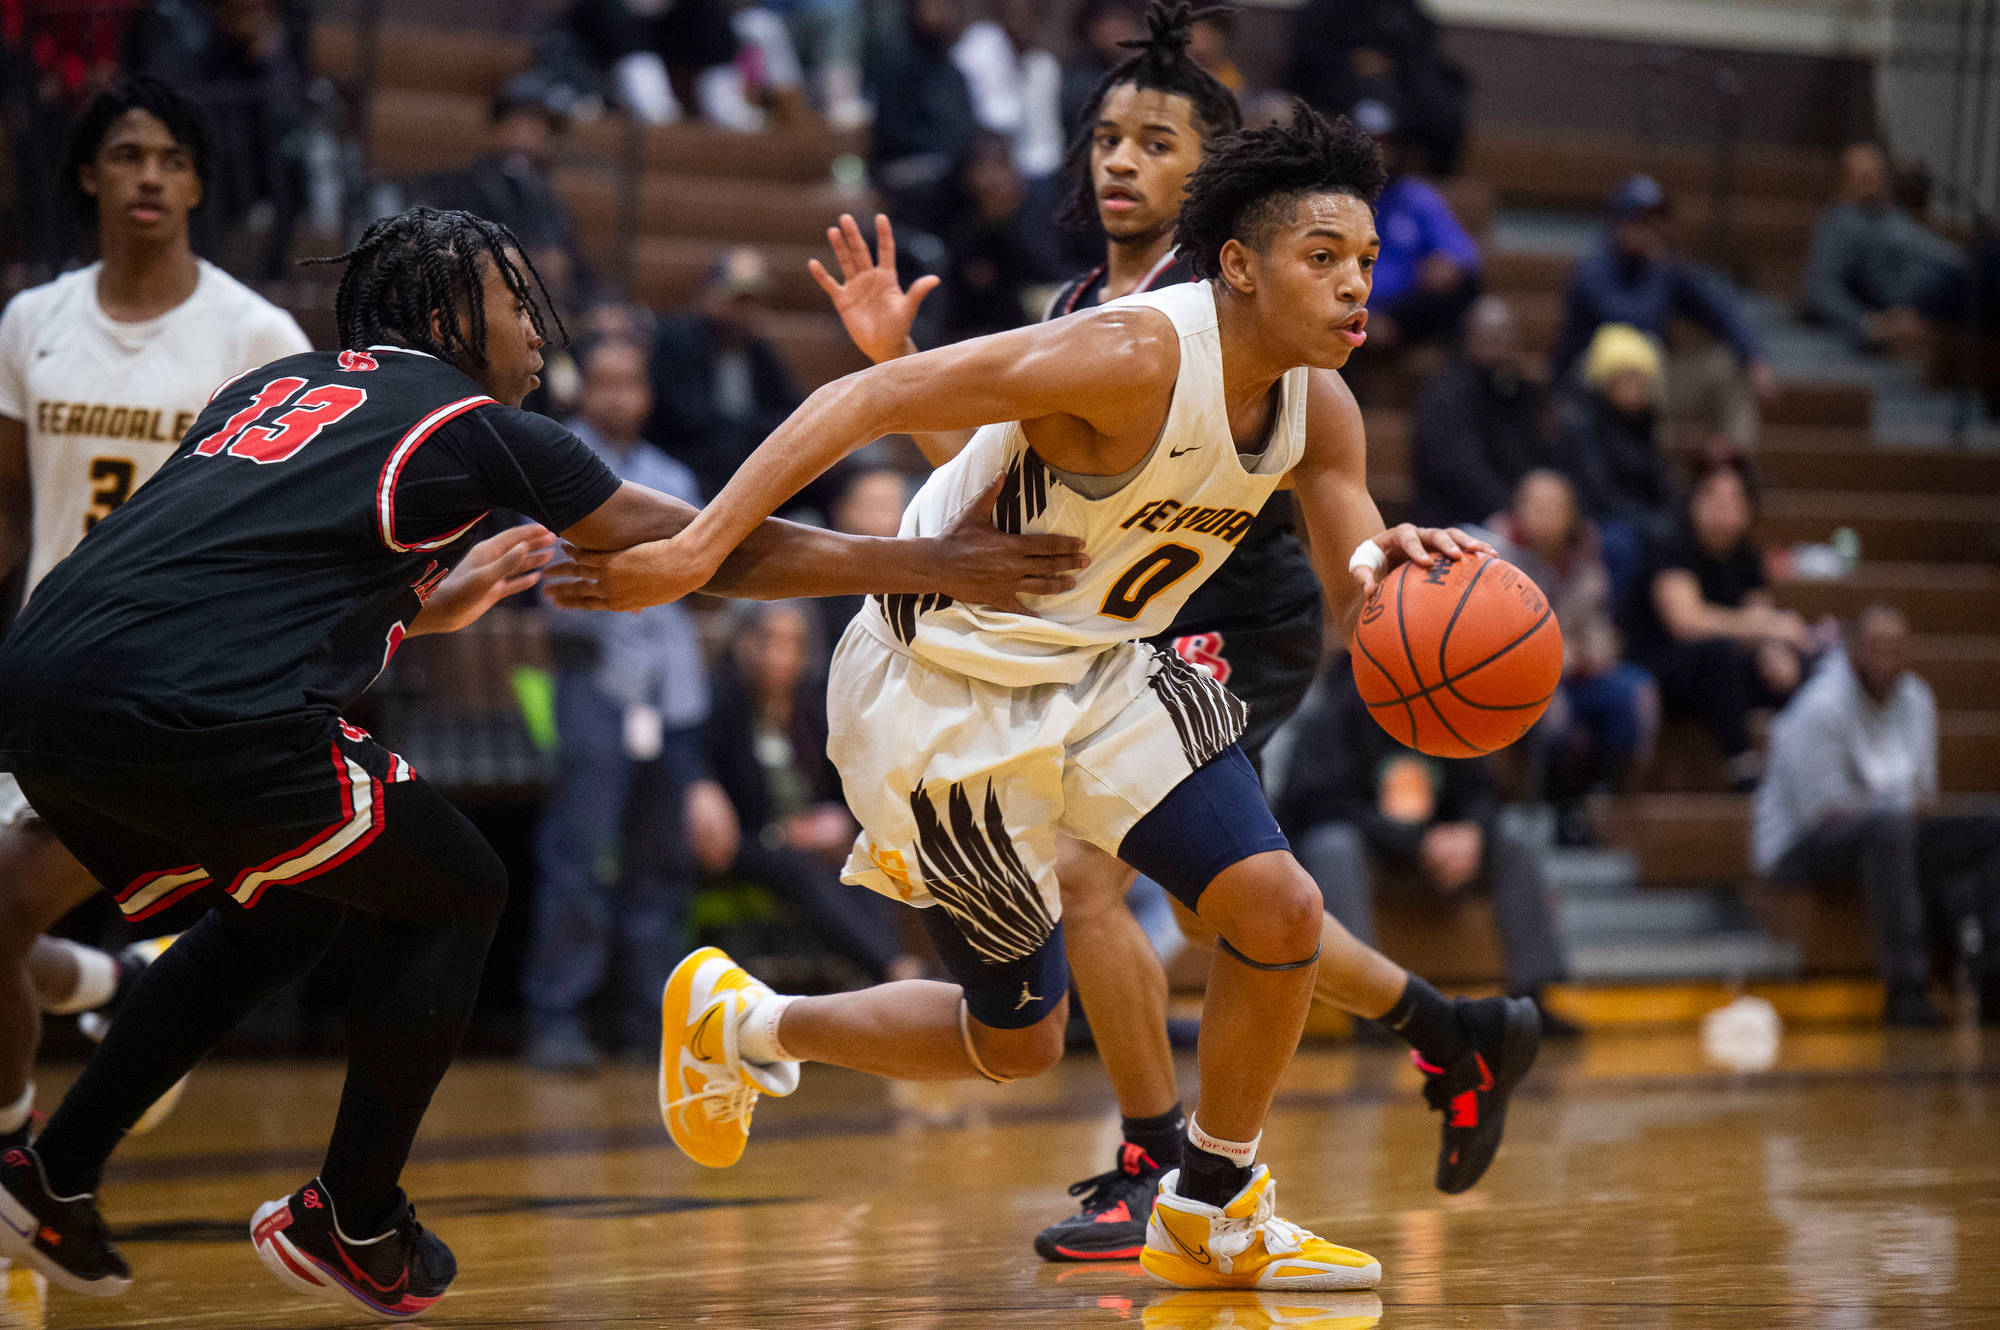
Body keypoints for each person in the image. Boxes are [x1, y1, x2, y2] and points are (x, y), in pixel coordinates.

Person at [0, 205, 1087, 1310]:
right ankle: (354, 1215)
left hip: (44, 680)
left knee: (288, 907)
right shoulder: (471, 425)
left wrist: (427, 601)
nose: (535, 324)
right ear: (446, 313)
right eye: (512, 299)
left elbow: (238, 557)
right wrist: (926, 560)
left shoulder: (277, 387)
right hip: (196, 702)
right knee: (458, 886)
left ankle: (54, 1171)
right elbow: (714, 538)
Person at [570, 105, 1543, 1292]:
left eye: (1366, 264)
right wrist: (695, 552)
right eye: (1322, 259)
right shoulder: (1127, 351)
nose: (1355, 290)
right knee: (1016, 1044)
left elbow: (1356, 581)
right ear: (1237, 265)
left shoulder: (1316, 406)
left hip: (1106, 665)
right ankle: (745, 1022)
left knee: (1276, 908)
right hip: (940, 691)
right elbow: (860, 404)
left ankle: (1212, 1202)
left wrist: (1400, 580)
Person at [807, 3, 1513, 1266]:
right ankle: (1442, 1030)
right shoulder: (1087, 302)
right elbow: (985, 497)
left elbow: (1335, 491)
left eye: (1155, 142)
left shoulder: (1252, 304)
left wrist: (1377, 568)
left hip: (1234, 612)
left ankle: (1160, 1162)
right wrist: (897, 355)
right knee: (1212, 914)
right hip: (1116, 616)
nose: (1118, 161)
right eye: (1105, 138)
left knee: (1117, 882)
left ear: (1222, 183)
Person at [0, 77, 312, 1156]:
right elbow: (9, 507)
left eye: (174, 159)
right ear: (89, 172)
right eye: (130, 154)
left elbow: (292, 527)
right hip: (42, 674)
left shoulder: (254, 333)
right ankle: (120, 982)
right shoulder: (31, 322)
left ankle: (21, 1173)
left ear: (197, 185)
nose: (151, 176)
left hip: (169, 693)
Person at [523, 337, 717, 1072]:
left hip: (669, 698)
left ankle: (649, 1019)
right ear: (584, 393)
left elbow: (703, 579)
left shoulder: (671, 474)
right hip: (593, 681)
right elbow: (545, 575)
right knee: (578, 858)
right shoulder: (555, 460)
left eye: (628, 382)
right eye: (602, 383)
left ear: (646, 392)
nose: (615, 397)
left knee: (660, 868)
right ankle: (557, 1016)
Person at [1276, 653, 1572, 1029]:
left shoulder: (1440, 710)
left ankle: (1533, 997)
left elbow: (1481, 792)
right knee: (1334, 845)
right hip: (1371, 862)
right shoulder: (1333, 715)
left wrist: (1471, 833)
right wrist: (1417, 842)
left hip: (1437, 863)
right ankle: (1364, 1005)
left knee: (1513, 844)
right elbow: (1314, 805)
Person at [1755, 606, 2000, 1027]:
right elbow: (1821, 813)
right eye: (1876, 647)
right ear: (1852, 650)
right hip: (1798, 847)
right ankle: (1907, 992)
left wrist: (1903, 812)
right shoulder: (1821, 706)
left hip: (1890, 835)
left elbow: (1925, 793)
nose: (1886, 658)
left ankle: (1993, 983)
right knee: (1890, 829)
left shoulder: (1917, 698)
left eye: (1896, 648)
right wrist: (1896, 812)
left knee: (1990, 829)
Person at [703, 601, 920, 983]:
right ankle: (895, 970)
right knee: (801, 869)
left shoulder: (813, 710)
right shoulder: (720, 705)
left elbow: (845, 790)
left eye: (792, 644)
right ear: (743, 643)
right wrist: (784, 834)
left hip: (810, 841)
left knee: (868, 857)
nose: (779, 656)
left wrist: (841, 823)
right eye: (768, 641)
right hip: (753, 843)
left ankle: (888, 968)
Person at [1481, 470, 1655, 844]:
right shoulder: (1492, 551)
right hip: (1514, 673)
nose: (1542, 514)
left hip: (1579, 667)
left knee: (1635, 693)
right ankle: (1554, 809)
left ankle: (1599, 800)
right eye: (1534, 505)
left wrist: (1587, 654)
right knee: (1552, 714)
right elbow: (1488, 634)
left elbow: (1599, 622)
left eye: (1552, 506)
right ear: (1517, 510)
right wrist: (1551, 655)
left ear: (1570, 514)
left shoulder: (1586, 550)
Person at [1548, 175, 1778, 450]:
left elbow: (1719, 310)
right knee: (1635, 361)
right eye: (1640, 219)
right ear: (1619, 221)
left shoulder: (1667, 267)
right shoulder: (1593, 269)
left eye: (1654, 221)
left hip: (1657, 380)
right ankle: (1652, 477)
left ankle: (1733, 471)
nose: (1649, 229)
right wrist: (1660, 273)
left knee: (1726, 366)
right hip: (1597, 387)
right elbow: (1626, 323)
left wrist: (1754, 357)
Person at [1622, 453, 1807, 792]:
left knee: (1798, 660)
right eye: (1711, 496)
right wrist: (1764, 626)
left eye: (1734, 498)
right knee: (1718, 653)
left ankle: (1803, 766)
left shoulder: (1746, 556)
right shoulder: (1672, 546)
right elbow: (1686, 623)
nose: (1723, 507)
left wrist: (1775, 648)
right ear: (1693, 502)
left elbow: (1761, 616)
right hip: (1659, 665)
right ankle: (1742, 764)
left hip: (1720, 676)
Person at [645, 247, 805, 508]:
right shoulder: (677, 339)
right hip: (684, 464)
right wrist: (754, 429)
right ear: (709, 295)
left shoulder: (757, 350)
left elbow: (790, 410)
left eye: (752, 301)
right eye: (736, 299)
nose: (744, 310)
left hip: (749, 465)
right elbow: (686, 415)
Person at [421, 74, 593, 315]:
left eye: (538, 123)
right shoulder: (474, 185)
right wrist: (536, 260)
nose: (529, 131)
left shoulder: (546, 192)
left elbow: (575, 263)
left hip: (549, 303)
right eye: (520, 120)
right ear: (501, 127)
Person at [1805, 142, 1977, 356]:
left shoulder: (1893, 215)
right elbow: (1822, 288)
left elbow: (1933, 248)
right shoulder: (1841, 222)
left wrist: (1969, 259)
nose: (1874, 183)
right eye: (1864, 177)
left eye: (1878, 175)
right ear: (1846, 180)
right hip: (1925, 298)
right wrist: (1867, 323)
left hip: (1962, 275)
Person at [1556, 322, 1675, 602]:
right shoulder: (1582, 421)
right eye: (1627, 378)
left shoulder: (1645, 422)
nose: (1636, 388)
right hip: (1594, 518)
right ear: (1607, 379)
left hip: (1636, 516)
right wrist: (1650, 523)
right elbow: (1597, 492)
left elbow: (1658, 479)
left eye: (1642, 380)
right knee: (1620, 544)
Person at [1408, 295, 1549, 529]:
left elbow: (1535, 456)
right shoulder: (1445, 395)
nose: (1495, 342)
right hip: (1455, 521)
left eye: (1502, 334)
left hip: (1518, 515)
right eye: (1488, 334)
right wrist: (1510, 513)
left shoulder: (1519, 390)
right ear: (1469, 336)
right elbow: (1458, 472)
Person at [1353, 98, 1480, 353]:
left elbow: (1465, 254)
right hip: (1348, 305)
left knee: (1467, 289)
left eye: (1384, 143)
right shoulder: (1334, 201)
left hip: (1406, 312)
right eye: (1368, 142)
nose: (1377, 152)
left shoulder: (1416, 196)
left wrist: (1449, 263)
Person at [1282, 0, 1466, 175]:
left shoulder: (1402, 8)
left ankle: (1437, 180)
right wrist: (1353, 61)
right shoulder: (1327, 7)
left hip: (1399, 84)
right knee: (1374, 108)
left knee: (1444, 102)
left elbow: (1421, 44)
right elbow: (1309, 48)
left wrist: (1391, 65)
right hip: (1339, 86)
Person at [871, 0, 980, 233]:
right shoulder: (894, 62)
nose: (939, 12)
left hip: (954, 164)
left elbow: (970, 124)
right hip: (906, 166)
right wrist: (947, 147)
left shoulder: (952, 69)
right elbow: (891, 132)